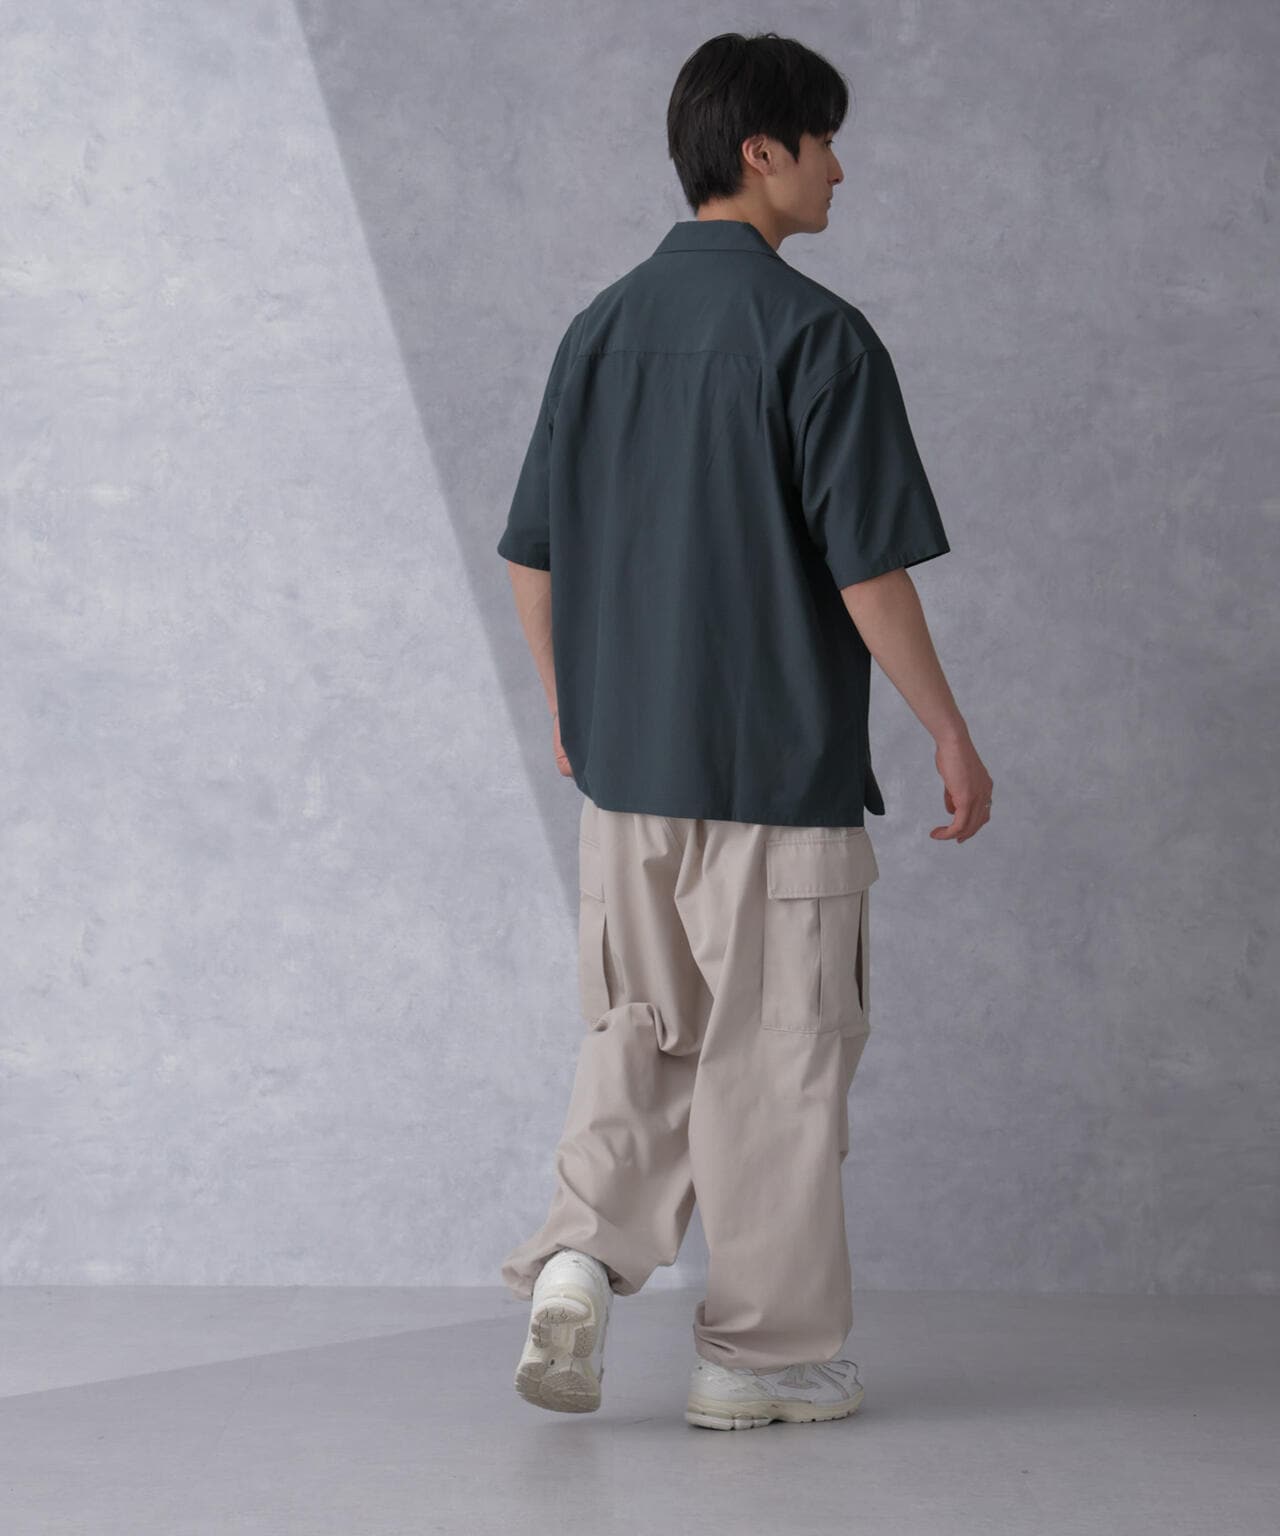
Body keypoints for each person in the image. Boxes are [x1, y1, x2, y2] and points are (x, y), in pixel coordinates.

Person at [496, 30, 993, 1430]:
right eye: (825, 142)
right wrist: (948, 729)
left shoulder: (598, 330)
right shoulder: (818, 335)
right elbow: (867, 571)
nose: (841, 169)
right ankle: (760, 1364)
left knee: (641, 1032)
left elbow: (532, 554)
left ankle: (580, 1258)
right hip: (776, 777)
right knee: (777, 1061)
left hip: (628, 779)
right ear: (762, 151)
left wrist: (572, 708)